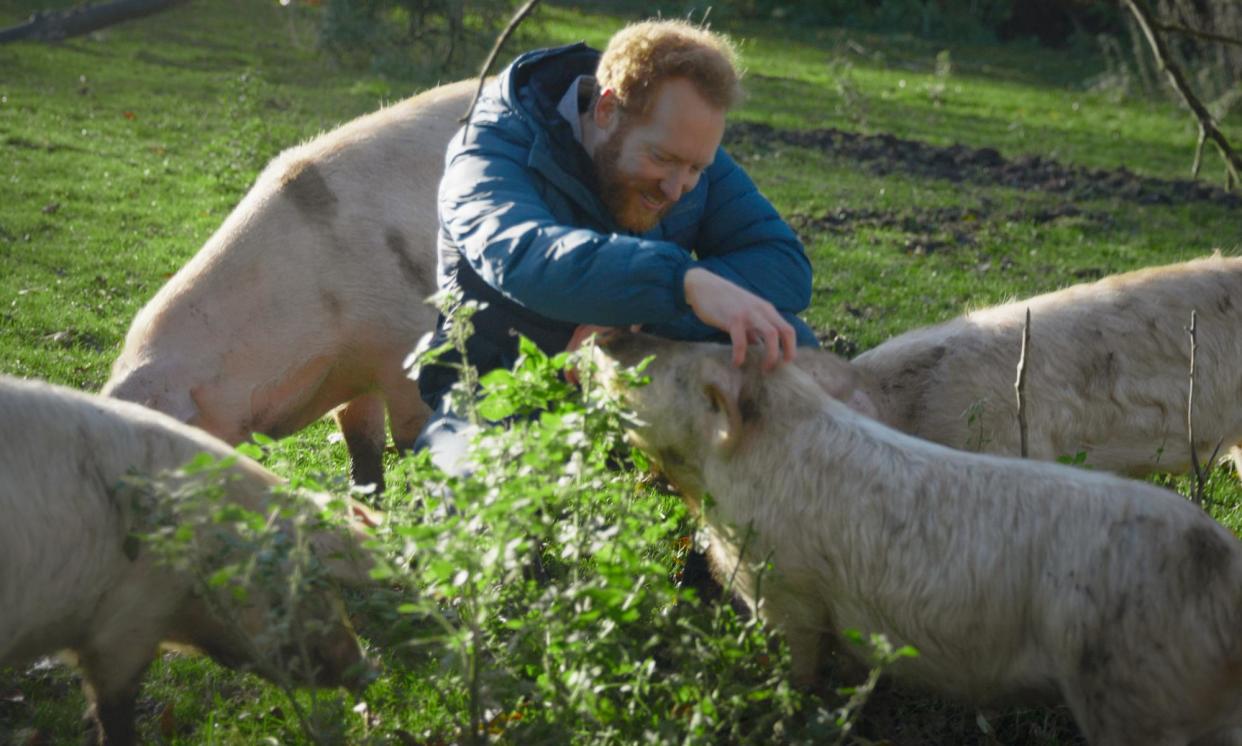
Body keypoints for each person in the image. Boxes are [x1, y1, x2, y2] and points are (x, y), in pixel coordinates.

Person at [415, 19, 817, 474]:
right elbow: (522, 255)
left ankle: (744, 536)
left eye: (695, 169)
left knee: (781, 343)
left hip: (640, 370)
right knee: (462, 489)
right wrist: (680, 280)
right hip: (508, 385)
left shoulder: (680, 146)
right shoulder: (489, 148)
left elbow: (783, 263)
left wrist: (638, 314)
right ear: (606, 110)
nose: (675, 187)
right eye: (661, 159)